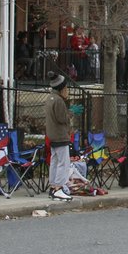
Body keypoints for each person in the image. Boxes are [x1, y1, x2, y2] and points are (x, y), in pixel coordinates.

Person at [45, 72, 74, 201]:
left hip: (51, 135)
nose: (67, 90)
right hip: (60, 136)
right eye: (66, 88)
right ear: (61, 88)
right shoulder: (58, 101)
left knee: (54, 162)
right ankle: (58, 188)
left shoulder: (49, 98)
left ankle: (52, 186)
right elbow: (62, 118)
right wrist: (70, 114)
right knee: (64, 163)